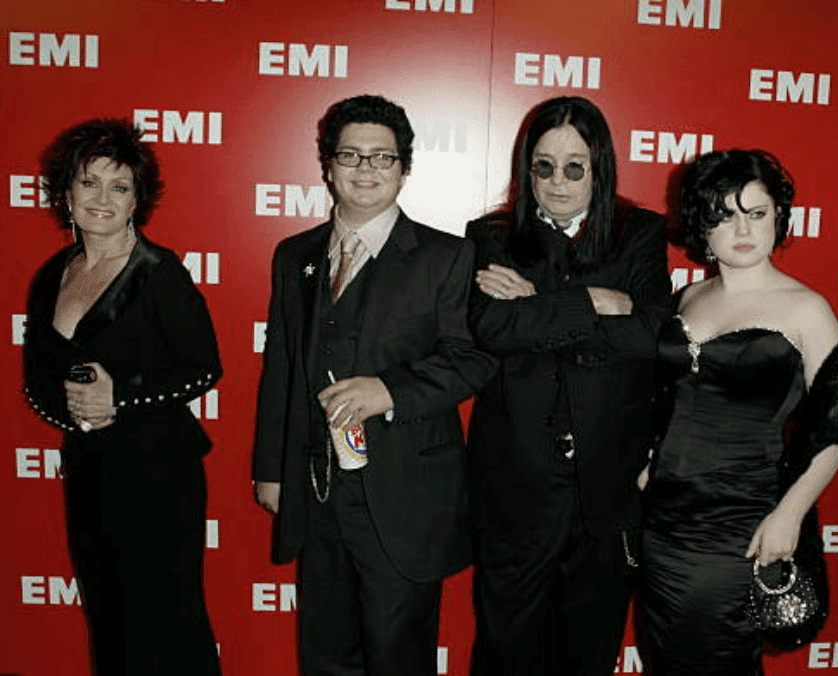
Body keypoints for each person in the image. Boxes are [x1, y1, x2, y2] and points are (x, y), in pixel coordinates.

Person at [252, 94, 495, 676]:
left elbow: (473, 357)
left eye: (382, 158)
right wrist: (271, 468)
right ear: (327, 165)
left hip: (405, 495)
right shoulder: (295, 256)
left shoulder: (449, 256)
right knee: (325, 652)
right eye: (351, 155)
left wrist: (391, 390)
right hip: (318, 492)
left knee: (397, 656)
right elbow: (281, 366)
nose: (366, 169)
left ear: (404, 168)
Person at [638, 149, 838, 675]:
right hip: (665, 521)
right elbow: (667, 396)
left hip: (742, 523)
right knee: (667, 656)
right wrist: (648, 464)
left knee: (720, 657)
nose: (742, 229)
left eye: (757, 212)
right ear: (704, 224)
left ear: (778, 218)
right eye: (725, 214)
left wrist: (789, 513)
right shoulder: (688, 298)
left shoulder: (806, 310)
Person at [465, 96, 671, 675]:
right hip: (516, 488)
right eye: (543, 166)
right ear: (525, 169)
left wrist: (538, 307)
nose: (557, 182)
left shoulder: (640, 234)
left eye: (574, 166)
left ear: (599, 168)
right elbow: (493, 327)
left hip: (606, 487)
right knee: (505, 653)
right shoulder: (493, 236)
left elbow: (652, 334)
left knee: (588, 653)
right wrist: (593, 304)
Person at [22, 119, 223, 675]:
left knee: (167, 618)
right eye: (90, 183)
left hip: (159, 472)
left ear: (138, 199)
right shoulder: (52, 275)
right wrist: (71, 408)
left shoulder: (159, 273)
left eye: (120, 186)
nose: (103, 199)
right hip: (90, 469)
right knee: (107, 615)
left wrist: (121, 399)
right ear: (66, 194)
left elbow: (203, 368)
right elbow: (36, 380)